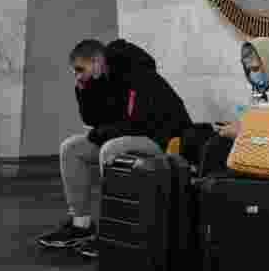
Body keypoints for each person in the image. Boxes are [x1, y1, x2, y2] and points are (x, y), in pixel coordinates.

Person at [37, 39, 193, 258]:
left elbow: (139, 124)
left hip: (164, 138)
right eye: (75, 71)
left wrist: (100, 133)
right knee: (71, 148)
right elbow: (93, 119)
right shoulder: (102, 78)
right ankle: (81, 225)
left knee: (111, 149)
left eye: (81, 69)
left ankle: (115, 232)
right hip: (134, 134)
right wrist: (83, 89)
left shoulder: (139, 74)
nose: (78, 75)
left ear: (97, 62)